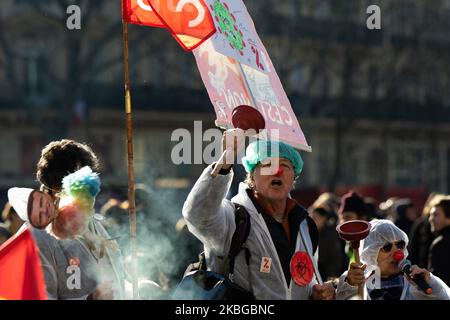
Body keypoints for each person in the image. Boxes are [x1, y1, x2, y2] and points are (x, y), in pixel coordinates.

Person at [182, 129, 335, 300]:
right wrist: (224, 162)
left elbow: (301, 283)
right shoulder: (233, 218)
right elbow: (197, 215)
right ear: (252, 177)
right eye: (268, 165)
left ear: (294, 179)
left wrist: (315, 292)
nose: (277, 172)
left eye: (285, 166)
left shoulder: (305, 226)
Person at [12, 139, 128, 299]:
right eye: (80, 186)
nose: (88, 197)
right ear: (56, 188)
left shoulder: (93, 224)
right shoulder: (35, 239)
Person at [336, 219, 450, 300]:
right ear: (371, 253)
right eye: (387, 247)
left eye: (400, 245)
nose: (397, 252)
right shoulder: (356, 280)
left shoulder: (415, 282)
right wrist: (351, 285)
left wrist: (431, 284)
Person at [428, 197, 450, 286]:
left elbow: (436, 283)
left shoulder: (440, 243)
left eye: (435, 215)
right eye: (430, 215)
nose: (430, 219)